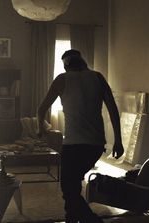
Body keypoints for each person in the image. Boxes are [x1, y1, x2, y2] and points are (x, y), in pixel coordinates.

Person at [37, 49, 124, 223]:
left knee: (68, 187)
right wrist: (118, 141)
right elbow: (113, 110)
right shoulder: (97, 77)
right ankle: (71, 218)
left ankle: (91, 220)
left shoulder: (62, 79)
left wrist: (41, 129)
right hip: (95, 144)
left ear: (65, 65)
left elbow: (41, 109)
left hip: (73, 144)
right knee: (73, 184)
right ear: (82, 61)